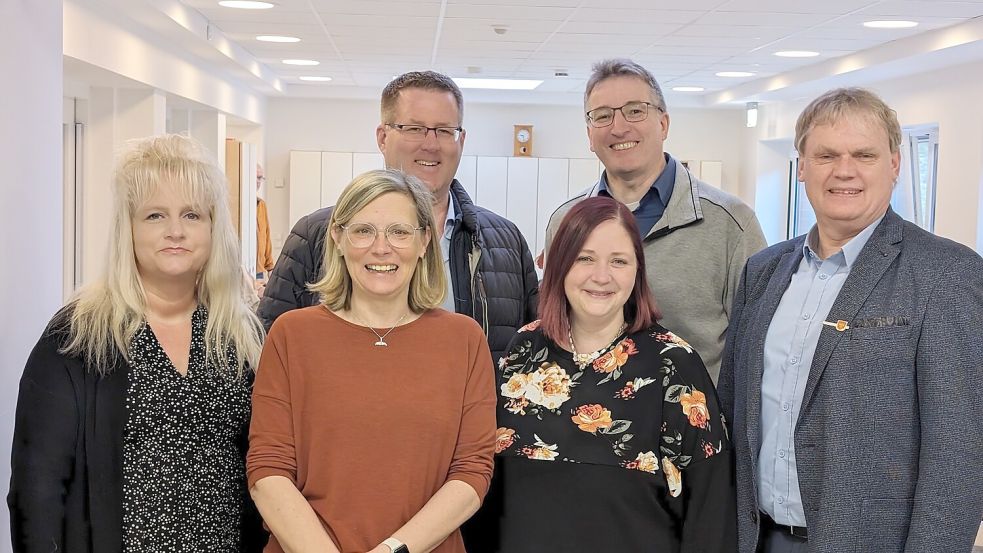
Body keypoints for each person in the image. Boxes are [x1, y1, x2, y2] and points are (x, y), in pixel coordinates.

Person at [717, 88, 983, 553]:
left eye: (864, 154)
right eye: (826, 155)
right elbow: (733, 412)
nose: (845, 171)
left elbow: (958, 457)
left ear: (895, 164)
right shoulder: (763, 272)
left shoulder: (945, 274)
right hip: (756, 537)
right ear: (801, 166)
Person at [8, 134, 267, 552]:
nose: (176, 231)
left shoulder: (239, 335)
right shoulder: (78, 337)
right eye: (154, 216)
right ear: (127, 226)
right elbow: (36, 489)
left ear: (213, 226)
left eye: (192, 215)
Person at [247, 169, 497, 553]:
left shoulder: (463, 340)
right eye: (363, 231)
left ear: (424, 241)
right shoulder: (291, 335)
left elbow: (472, 471)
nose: (381, 248)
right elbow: (269, 468)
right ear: (338, 238)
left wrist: (393, 550)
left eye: (399, 232)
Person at [496, 196, 736, 552]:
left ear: (637, 270)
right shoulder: (524, 350)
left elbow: (710, 511)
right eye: (585, 258)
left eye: (618, 261)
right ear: (560, 265)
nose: (601, 276)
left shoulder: (673, 364)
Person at [258, 71, 538, 365]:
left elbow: (532, 356)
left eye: (444, 130)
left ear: (461, 140)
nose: (431, 144)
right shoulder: (317, 234)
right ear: (382, 137)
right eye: (414, 128)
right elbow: (271, 353)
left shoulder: (506, 242)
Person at [545, 58, 767, 384]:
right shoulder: (566, 223)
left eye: (635, 110)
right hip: (588, 423)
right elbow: (554, 324)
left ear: (663, 123)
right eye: (602, 116)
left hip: (694, 424)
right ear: (590, 135)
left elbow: (757, 348)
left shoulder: (731, 225)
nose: (619, 127)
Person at [256, 164, 274, 286]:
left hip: (259, 270)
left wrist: (270, 267)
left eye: (260, 178)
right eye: (256, 177)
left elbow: (266, 237)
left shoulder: (261, 205)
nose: (258, 182)